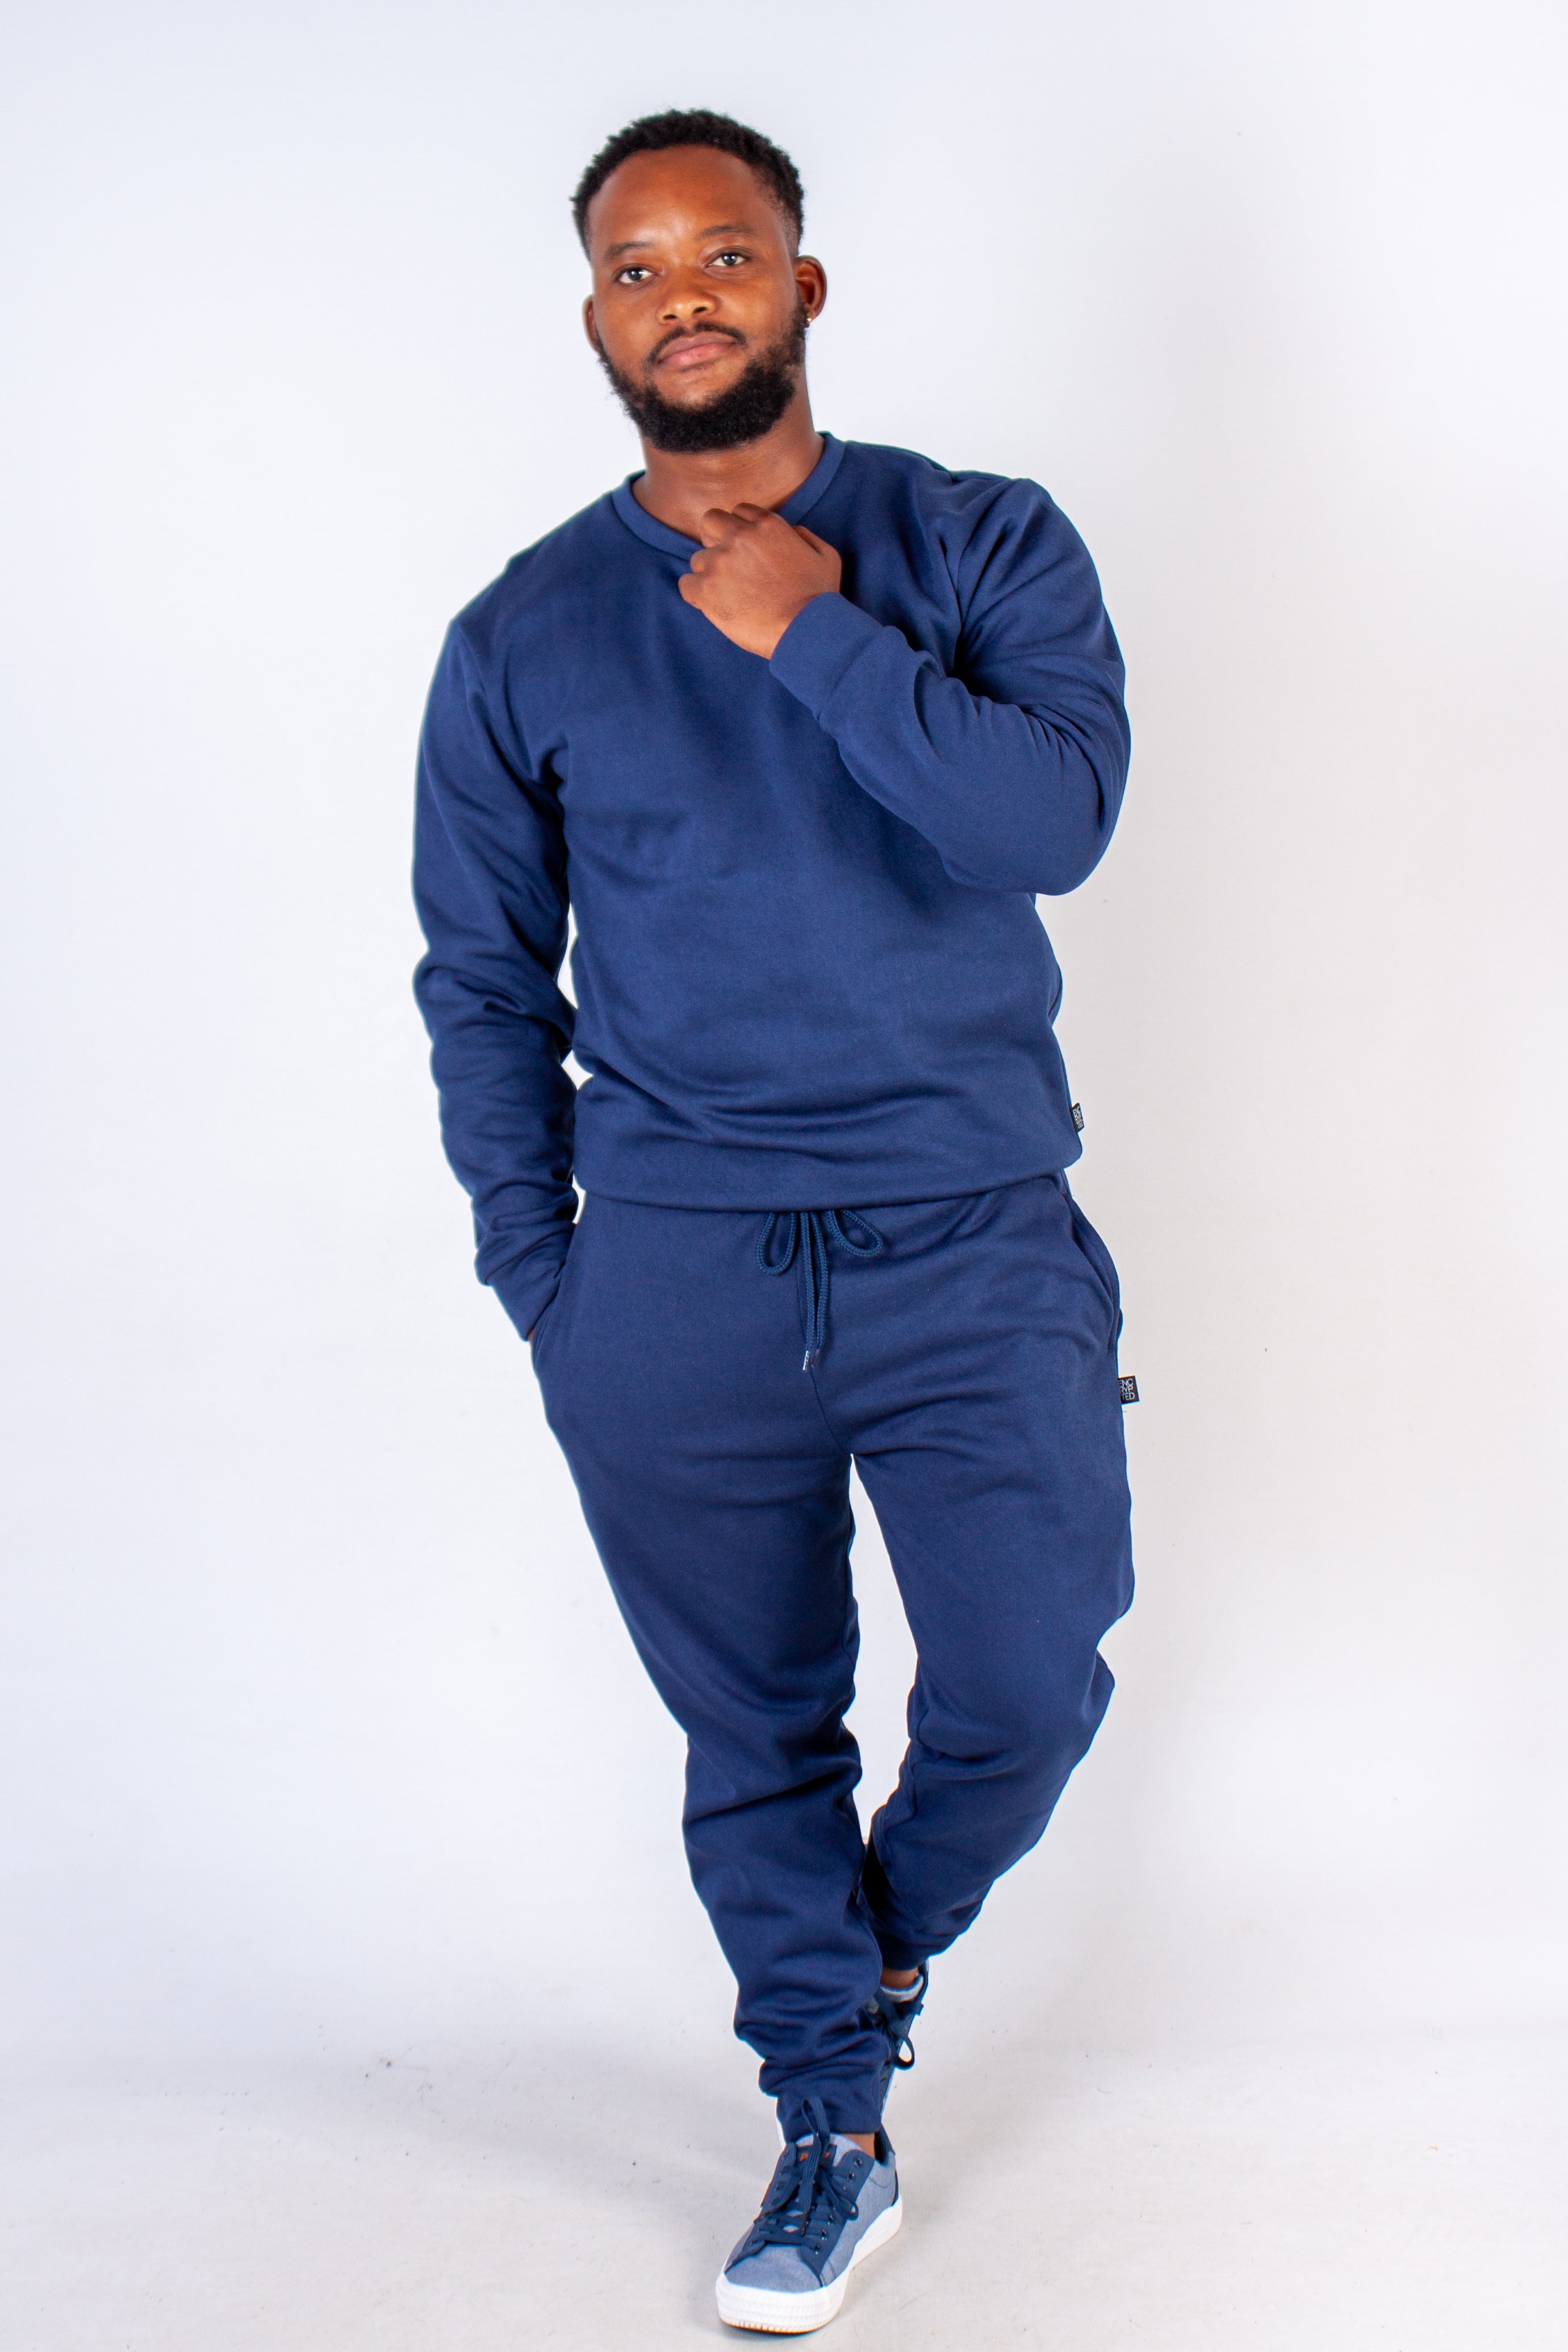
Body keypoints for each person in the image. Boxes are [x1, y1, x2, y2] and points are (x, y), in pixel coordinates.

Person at [412, 106, 1135, 2337]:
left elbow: (1052, 822)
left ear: (800, 285)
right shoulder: (523, 629)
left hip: (969, 1237)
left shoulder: (977, 539)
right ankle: (829, 2112)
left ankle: (870, 1954)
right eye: (637, 268)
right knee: (759, 1734)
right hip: (672, 1278)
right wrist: (544, 1277)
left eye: (723, 253)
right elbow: (479, 978)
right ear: (595, 317)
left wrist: (813, 635)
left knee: (1027, 1677)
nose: (683, 296)